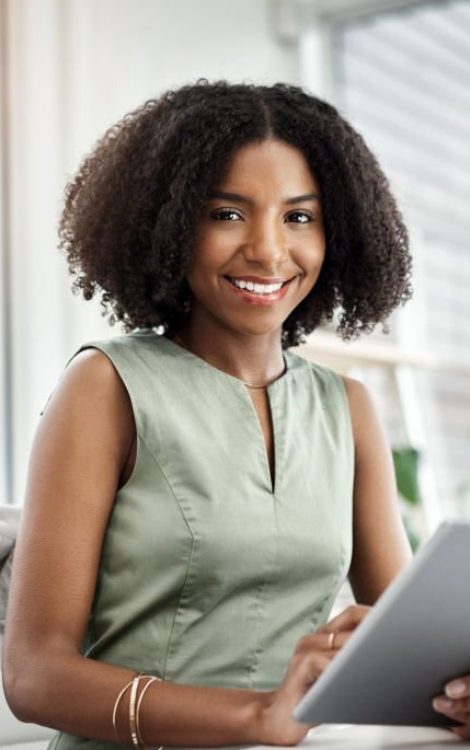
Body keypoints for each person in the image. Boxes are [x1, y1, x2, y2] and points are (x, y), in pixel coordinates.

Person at [2, 80, 468, 748]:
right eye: (227, 214)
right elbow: (33, 677)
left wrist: (455, 690)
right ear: (167, 223)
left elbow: (405, 649)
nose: (270, 251)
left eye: (299, 217)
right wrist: (255, 716)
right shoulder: (103, 387)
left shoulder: (347, 408)